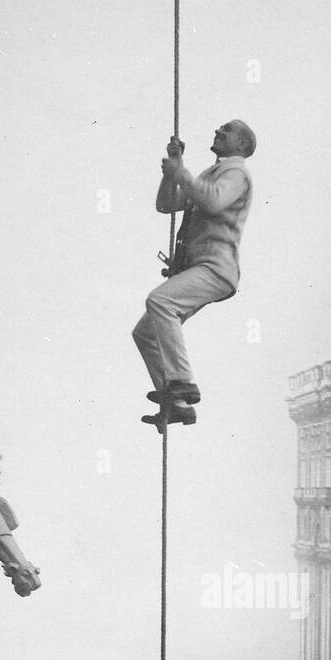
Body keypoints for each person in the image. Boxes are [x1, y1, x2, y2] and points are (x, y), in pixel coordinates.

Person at [134, 119, 256, 430]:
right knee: (145, 332)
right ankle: (177, 404)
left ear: (241, 145)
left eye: (226, 130)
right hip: (202, 267)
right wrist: (172, 172)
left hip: (215, 268)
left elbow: (212, 201)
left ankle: (182, 383)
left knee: (160, 301)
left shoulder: (236, 173)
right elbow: (166, 205)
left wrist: (181, 173)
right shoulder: (210, 174)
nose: (218, 131)